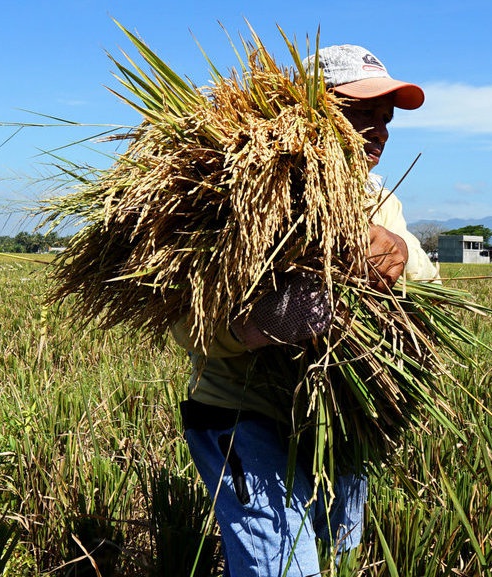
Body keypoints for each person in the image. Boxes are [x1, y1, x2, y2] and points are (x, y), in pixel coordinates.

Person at [171, 44, 438, 576]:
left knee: (340, 557)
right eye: (361, 111)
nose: (380, 130)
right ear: (307, 111)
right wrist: (264, 324)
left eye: (386, 118)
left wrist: (395, 251)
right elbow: (186, 325)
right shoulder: (237, 190)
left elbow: (429, 283)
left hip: (341, 414)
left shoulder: (377, 198)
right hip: (244, 414)